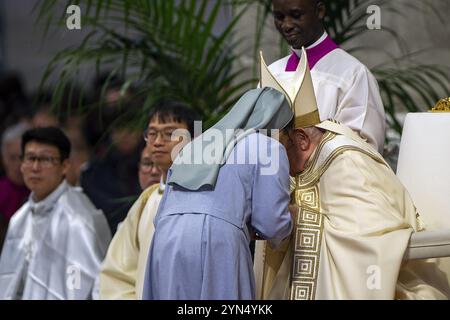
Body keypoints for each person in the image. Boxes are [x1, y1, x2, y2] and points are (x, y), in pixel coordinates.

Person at [255, 47, 450, 300]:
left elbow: (374, 241)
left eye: (279, 149)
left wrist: (296, 218)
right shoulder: (299, 160)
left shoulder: (345, 162)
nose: (275, 162)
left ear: (302, 139)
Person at [141, 87, 294, 300]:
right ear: (280, 128)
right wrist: (290, 223)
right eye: (290, 137)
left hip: (166, 237)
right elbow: (272, 223)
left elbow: (162, 212)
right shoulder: (268, 145)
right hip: (215, 240)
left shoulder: (199, 143)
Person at [99, 101, 197, 299]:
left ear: (195, 139)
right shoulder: (147, 202)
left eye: (169, 133)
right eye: (152, 133)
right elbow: (118, 274)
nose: (158, 141)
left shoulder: (207, 198)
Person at [0, 127, 111, 299]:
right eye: (30, 158)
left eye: (45, 159)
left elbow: (96, 287)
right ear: (22, 164)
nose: (36, 167)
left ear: (65, 166)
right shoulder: (19, 219)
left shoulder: (80, 220)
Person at [267, 0, 385, 153]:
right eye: (279, 17)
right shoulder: (273, 72)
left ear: (320, 11)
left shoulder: (352, 74)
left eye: (296, 15)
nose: (286, 25)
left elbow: (364, 149)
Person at [0, 123, 30, 253]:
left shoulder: (41, 192)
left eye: (22, 158)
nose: (19, 165)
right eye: (12, 158)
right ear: (3, 159)